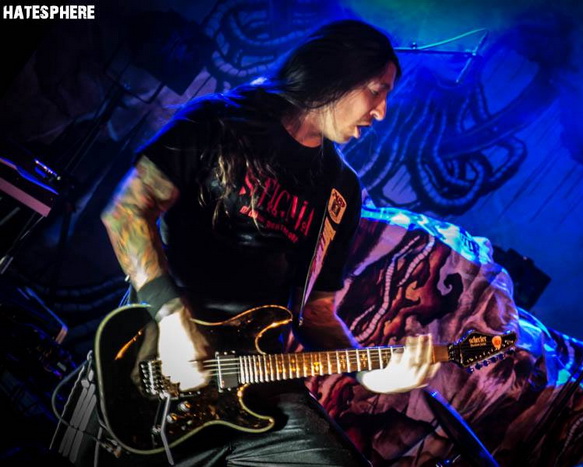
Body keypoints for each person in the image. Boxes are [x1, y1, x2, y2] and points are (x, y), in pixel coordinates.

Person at [98, 19, 439, 466]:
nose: (381, 113)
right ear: (334, 73)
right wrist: (172, 320)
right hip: (163, 354)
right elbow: (127, 212)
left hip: (259, 376)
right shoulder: (218, 121)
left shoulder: (341, 190)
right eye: (377, 91)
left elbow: (316, 311)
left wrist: (368, 373)